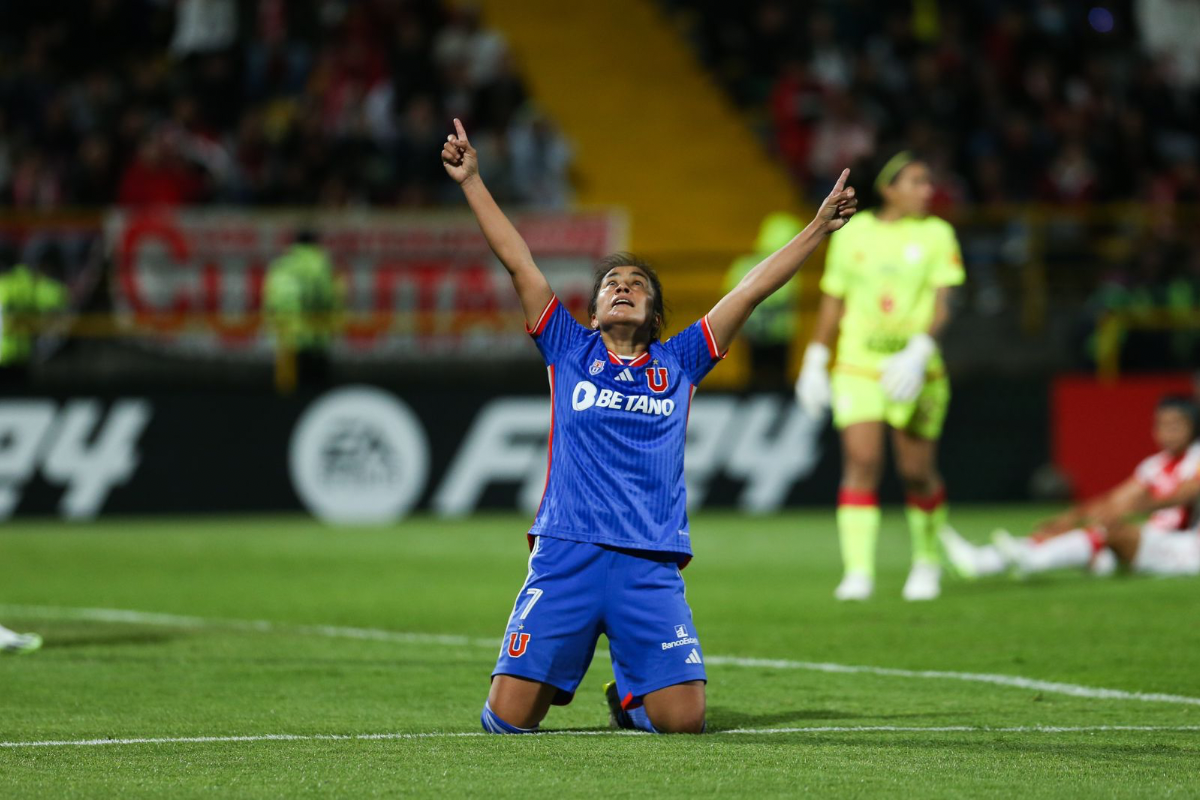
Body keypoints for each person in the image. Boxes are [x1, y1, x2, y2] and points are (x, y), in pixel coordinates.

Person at [441, 118, 857, 734]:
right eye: (611, 283)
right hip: (568, 552)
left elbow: (748, 291)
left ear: (656, 314)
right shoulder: (568, 349)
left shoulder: (680, 361)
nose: (623, 288)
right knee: (507, 723)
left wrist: (818, 227)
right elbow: (520, 263)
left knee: (683, 723)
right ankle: (583, 675)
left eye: (637, 285)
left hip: (648, 562)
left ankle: (630, 697)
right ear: (593, 309)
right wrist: (472, 181)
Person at [795, 151, 965, 602]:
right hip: (858, 365)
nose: (927, 190)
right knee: (862, 461)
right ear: (889, 188)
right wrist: (815, 356)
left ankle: (927, 561)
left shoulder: (937, 234)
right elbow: (834, 298)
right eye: (916, 182)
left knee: (916, 471)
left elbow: (945, 302)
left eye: (928, 182)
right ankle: (858, 572)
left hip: (915, 367)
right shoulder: (854, 233)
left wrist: (920, 350)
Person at [942, 395, 1200, 579]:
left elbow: (1184, 493)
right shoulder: (1154, 466)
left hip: (1187, 549)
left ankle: (1032, 561)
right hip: (1155, 540)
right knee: (1077, 530)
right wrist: (1070, 518)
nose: (1168, 433)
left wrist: (1131, 508)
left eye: (1176, 426)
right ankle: (983, 561)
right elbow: (1115, 499)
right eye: (1162, 425)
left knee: (1109, 531)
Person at [722, 212, 804, 389]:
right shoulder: (788, 272)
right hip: (770, 336)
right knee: (770, 380)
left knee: (759, 379)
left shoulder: (742, 266)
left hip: (758, 334)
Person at [263, 229, 342, 390]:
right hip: (318, 337)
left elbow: (271, 300)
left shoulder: (282, 265)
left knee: (289, 390)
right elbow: (333, 299)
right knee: (317, 391)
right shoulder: (324, 265)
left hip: (289, 338)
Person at [0, 261, 69, 387]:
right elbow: (56, 296)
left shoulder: (17, 283)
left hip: (12, 355)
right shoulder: (25, 282)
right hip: (21, 354)